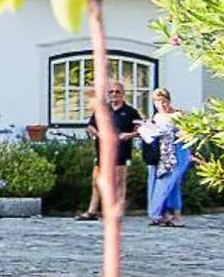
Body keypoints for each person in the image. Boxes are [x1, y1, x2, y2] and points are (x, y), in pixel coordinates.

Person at [77, 82, 144, 220]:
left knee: (119, 181)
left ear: (123, 94)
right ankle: (92, 211)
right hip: (102, 150)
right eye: (111, 92)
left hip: (121, 150)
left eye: (117, 92)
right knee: (97, 181)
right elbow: (90, 126)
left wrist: (128, 135)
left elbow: (141, 129)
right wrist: (99, 134)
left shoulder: (131, 112)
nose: (114, 94)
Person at [140, 88, 193, 228]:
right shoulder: (157, 117)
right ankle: (165, 214)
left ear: (169, 101)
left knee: (171, 182)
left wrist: (176, 134)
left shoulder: (178, 115)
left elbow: (188, 134)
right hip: (162, 154)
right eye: (159, 102)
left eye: (165, 102)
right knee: (162, 182)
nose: (162, 105)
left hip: (177, 153)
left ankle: (174, 214)